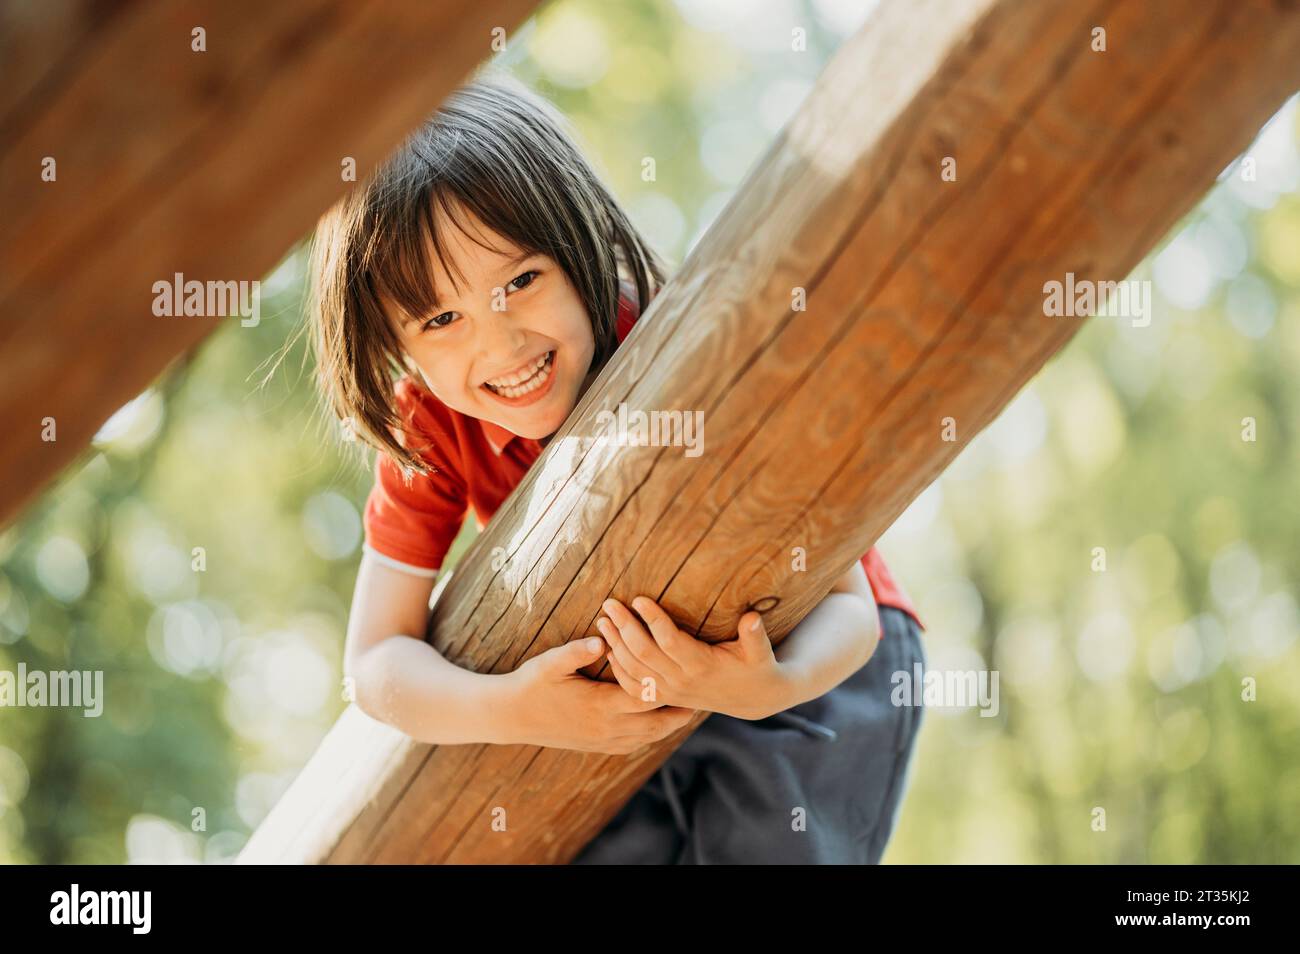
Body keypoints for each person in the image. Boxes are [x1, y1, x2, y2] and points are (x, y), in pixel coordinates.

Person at [302, 69, 927, 863]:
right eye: (443, 319)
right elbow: (376, 663)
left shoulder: (673, 344)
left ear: (580, 243)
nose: (500, 345)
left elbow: (854, 610)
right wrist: (513, 710)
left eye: (522, 280)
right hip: (619, 701)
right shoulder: (429, 426)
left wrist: (766, 686)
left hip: (810, 664)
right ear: (397, 346)